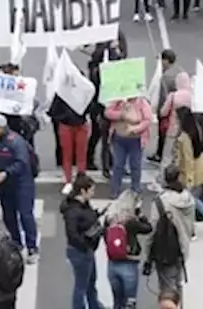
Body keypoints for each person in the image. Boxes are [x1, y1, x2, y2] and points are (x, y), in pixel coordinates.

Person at [0, 114, 39, 262]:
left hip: (22, 184)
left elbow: (22, 163)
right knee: (8, 215)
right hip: (5, 185)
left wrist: (6, 173)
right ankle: (16, 242)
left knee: (25, 215)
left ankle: (32, 247)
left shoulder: (16, 142)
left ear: (1, 128)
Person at [143, 165, 195, 303]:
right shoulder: (188, 199)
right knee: (177, 284)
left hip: (166, 250)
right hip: (182, 247)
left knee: (167, 289)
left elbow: (152, 229)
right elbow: (191, 225)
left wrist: (147, 255)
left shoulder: (161, 202)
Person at [172, 107, 203, 233]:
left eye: (176, 118)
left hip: (193, 170)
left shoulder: (184, 137)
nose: (174, 120)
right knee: (201, 196)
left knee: (191, 199)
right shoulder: (195, 128)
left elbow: (187, 160)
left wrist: (188, 180)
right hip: (200, 165)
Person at [103, 191, 153, 309]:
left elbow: (106, 237)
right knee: (130, 303)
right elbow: (148, 228)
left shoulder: (109, 220)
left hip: (112, 264)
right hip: (129, 263)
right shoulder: (130, 222)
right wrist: (140, 214)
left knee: (117, 302)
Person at [61, 174, 103, 309]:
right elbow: (72, 234)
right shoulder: (73, 211)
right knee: (81, 286)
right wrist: (85, 245)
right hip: (81, 251)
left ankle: (94, 305)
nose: (93, 193)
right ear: (83, 191)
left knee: (90, 282)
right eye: (91, 190)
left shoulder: (83, 205)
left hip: (87, 250)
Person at [104, 93, 154, 198]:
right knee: (118, 165)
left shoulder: (142, 103)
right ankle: (115, 190)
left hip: (136, 140)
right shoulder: (118, 101)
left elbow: (147, 120)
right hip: (119, 139)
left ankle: (135, 189)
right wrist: (121, 115)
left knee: (135, 165)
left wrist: (136, 129)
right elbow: (107, 113)